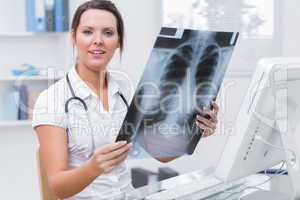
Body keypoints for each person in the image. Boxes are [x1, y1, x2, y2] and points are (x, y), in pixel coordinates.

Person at [32, 0, 219, 199]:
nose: (98, 40)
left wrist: (195, 130)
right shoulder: (51, 100)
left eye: (108, 33)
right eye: (87, 32)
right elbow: (57, 187)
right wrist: (93, 168)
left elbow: (160, 154)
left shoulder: (124, 88)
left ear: (118, 41)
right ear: (73, 37)